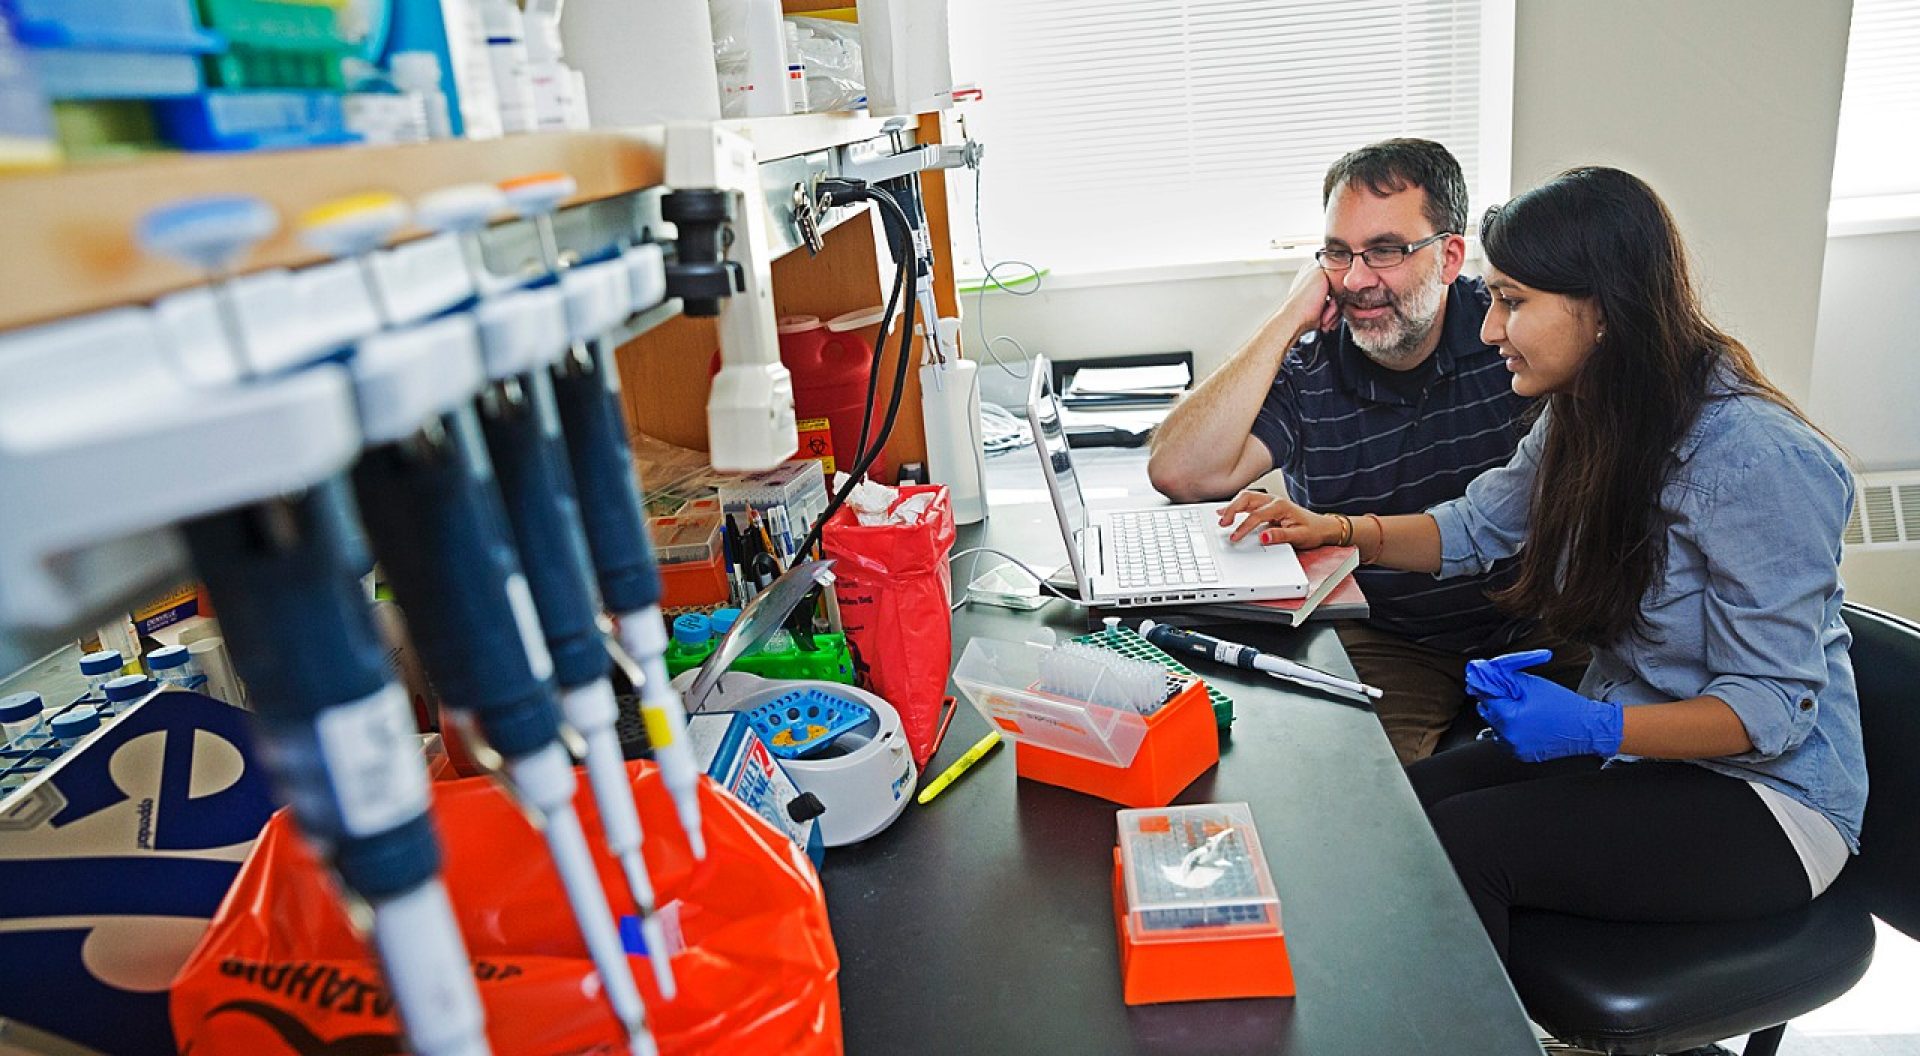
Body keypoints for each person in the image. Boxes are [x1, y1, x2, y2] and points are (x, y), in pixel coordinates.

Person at [1218, 166, 1865, 964]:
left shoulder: (1757, 460)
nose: (1490, 330)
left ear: (1603, 310)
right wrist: (1339, 529)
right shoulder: (1589, 412)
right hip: (1644, 756)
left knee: (1462, 847)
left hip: (1769, 804)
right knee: (1392, 812)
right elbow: (1476, 527)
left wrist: (1594, 724)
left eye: (1513, 302)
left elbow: (1769, 712)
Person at [1147, 138, 1586, 764]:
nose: (1356, 281)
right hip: (1389, 634)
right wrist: (1289, 316)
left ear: (1449, 255)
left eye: (1385, 251)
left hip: (1539, 623)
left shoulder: (1507, 337)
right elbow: (1181, 472)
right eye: (1337, 253)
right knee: (1361, 801)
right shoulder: (1312, 367)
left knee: (1588, 786)